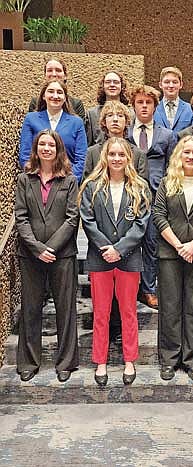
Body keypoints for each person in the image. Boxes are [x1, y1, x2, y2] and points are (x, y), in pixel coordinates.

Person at [79, 137, 151, 387]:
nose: (117, 159)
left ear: (128, 158)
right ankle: (101, 361)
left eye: (122, 154)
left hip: (129, 260)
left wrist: (119, 249)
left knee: (129, 312)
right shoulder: (91, 186)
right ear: (105, 157)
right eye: (113, 154)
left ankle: (130, 360)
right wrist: (105, 248)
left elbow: (141, 224)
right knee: (101, 313)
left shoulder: (139, 186)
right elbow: (87, 220)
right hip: (100, 260)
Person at [15, 129, 79, 383]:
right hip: (30, 255)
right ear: (36, 148)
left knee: (65, 309)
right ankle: (29, 361)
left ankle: (65, 362)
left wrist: (50, 247)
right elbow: (20, 217)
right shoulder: (24, 179)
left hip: (62, 255)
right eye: (42, 144)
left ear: (58, 149)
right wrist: (37, 248)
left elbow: (73, 217)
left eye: (51, 144)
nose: (46, 148)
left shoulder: (69, 179)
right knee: (31, 309)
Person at [153, 135, 193, 381]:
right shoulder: (167, 183)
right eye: (186, 152)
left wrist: (192, 245)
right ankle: (169, 359)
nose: (190, 156)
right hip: (170, 254)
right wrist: (179, 245)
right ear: (178, 155)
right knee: (170, 307)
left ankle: (192, 360)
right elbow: (159, 215)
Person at [127, 85, 177, 309]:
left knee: (152, 243)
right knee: (128, 242)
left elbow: (172, 167)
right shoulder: (125, 134)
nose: (144, 106)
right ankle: (130, 288)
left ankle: (148, 289)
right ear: (134, 105)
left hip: (156, 195)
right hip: (128, 193)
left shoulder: (167, 135)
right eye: (140, 102)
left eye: (148, 103)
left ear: (155, 106)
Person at [19, 79, 88, 183]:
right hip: (37, 184)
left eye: (59, 92)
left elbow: (81, 158)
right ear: (43, 96)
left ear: (65, 98)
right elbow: (25, 155)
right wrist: (38, 181)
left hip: (66, 183)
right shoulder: (30, 119)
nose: (55, 96)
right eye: (51, 91)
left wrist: (70, 183)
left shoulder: (76, 122)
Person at [83, 100, 148, 181]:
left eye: (120, 116)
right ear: (104, 122)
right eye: (110, 115)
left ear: (127, 122)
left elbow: (143, 186)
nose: (115, 119)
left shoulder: (138, 154)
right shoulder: (92, 153)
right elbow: (86, 185)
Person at [85, 70, 131, 147]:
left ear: (122, 86)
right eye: (108, 82)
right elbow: (89, 143)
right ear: (103, 86)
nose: (112, 85)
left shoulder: (132, 113)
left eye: (116, 82)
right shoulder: (92, 114)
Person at [154, 66, 193, 133]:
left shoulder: (191, 109)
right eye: (167, 82)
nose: (171, 86)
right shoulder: (153, 109)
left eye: (175, 82)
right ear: (160, 85)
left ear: (181, 85)